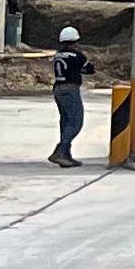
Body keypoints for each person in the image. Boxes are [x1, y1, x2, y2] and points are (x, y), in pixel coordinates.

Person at [47, 22, 85, 165]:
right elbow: (89, 69)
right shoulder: (77, 56)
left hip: (58, 89)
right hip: (70, 89)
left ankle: (66, 155)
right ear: (76, 41)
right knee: (75, 122)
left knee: (65, 121)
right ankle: (61, 151)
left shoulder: (58, 55)